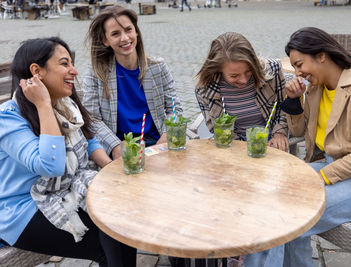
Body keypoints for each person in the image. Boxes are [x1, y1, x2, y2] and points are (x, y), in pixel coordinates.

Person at [244, 27, 351, 267]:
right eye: (294, 67)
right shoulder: (316, 88)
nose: (297, 72)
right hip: (326, 167)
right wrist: (294, 101)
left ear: (322, 55)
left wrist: (324, 176)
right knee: (266, 197)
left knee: (282, 217)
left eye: (300, 64)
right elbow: (297, 132)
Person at [0, 37, 137, 266]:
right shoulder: (9, 117)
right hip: (22, 209)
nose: (73, 71)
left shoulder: (65, 104)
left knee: (122, 221)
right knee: (111, 235)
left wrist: (111, 168)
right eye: (64, 64)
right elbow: (51, 165)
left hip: (65, 190)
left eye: (72, 63)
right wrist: (43, 105)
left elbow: (87, 139)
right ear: (37, 71)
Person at [83, 6, 182, 159]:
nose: (125, 38)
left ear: (136, 31)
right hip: (121, 144)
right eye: (115, 34)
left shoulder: (158, 67)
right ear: (105, 40)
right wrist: (115, 147)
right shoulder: (96, 73)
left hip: (156, 142)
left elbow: (174, 109)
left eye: (128, 30)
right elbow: (92, 118)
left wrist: (166, 135)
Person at [195, 32, 289, 151]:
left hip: (269, 140)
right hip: (233, 144)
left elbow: (284, 106)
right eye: (234, 76)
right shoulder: (205, 88)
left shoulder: (273, 70)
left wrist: (279, 133)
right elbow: (215, 127)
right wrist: (241, 147)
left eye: (249, 71)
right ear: (218, 69)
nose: (244, 80)